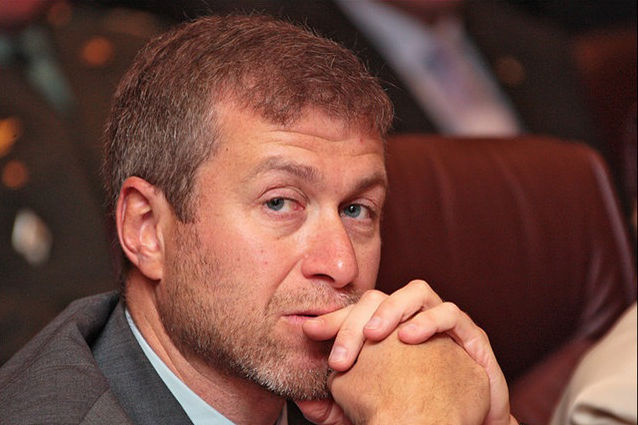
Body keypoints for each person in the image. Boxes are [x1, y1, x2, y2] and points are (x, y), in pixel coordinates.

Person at [0, 15, 518, 425]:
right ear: (147, 230)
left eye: (356, 210)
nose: (341, 265)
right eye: (280, 203)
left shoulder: (367, 395)